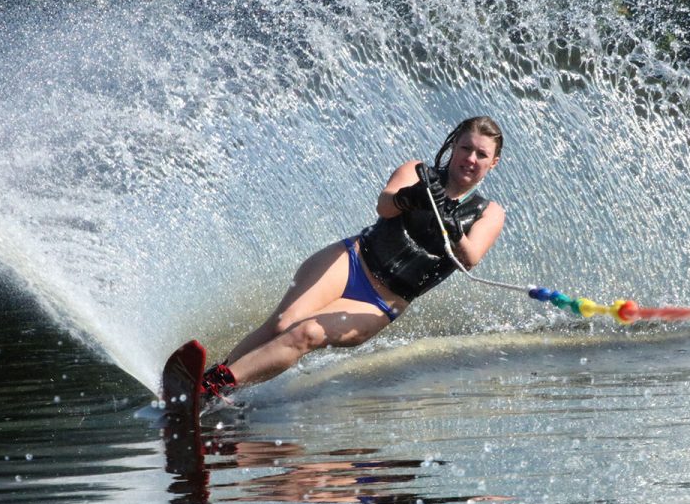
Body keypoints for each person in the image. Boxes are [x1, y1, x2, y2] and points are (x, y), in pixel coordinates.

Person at [199, 116, 505, 401]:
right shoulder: (417, 172)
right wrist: (408, 198)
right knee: (282, 323)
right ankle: (213, 385)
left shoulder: (489, 212)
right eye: (465, 148)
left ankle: (216, 389)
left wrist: (453, 231)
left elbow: (470, 259)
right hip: (352, 260)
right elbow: (384, 207)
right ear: (454, 147)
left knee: (306, 333)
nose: (470, 159)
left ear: (493, 162)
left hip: (381, 302)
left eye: (481, 154)